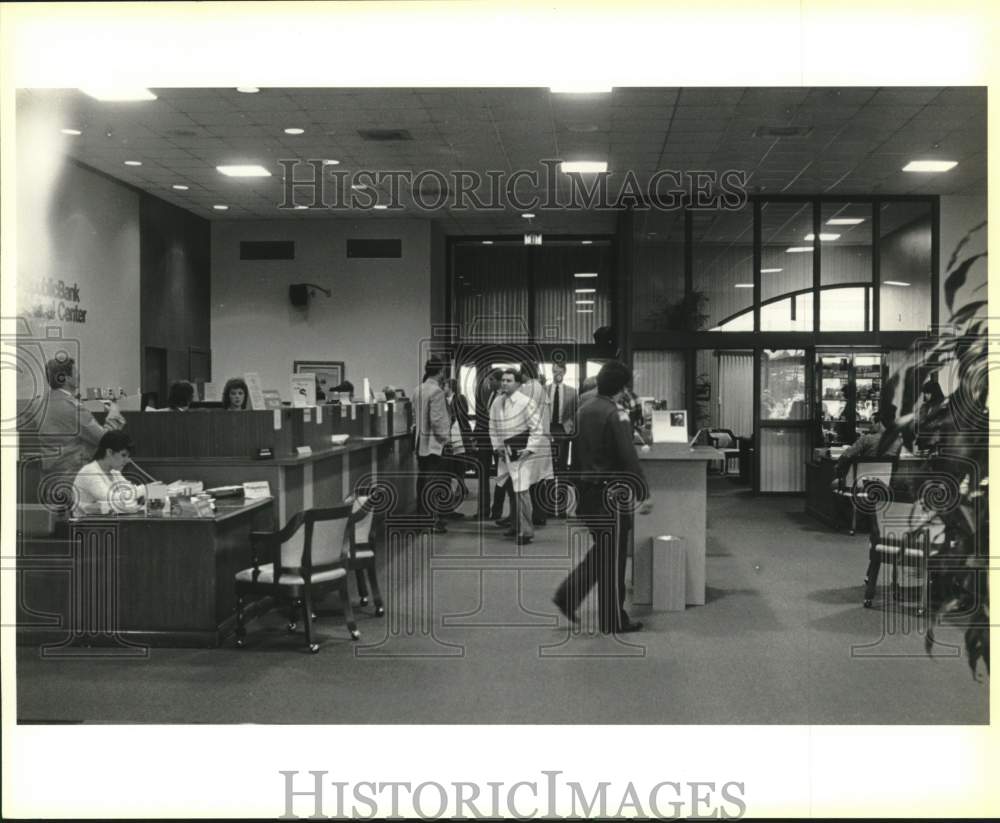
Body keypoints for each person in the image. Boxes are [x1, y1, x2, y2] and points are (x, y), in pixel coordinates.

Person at [553, 360, 653, 634]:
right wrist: (643, 493)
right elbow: (628, 456)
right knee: (614, 558)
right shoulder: (615, 414)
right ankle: (609, 617)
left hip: (587, 493)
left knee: (605, 552)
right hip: (611, 496)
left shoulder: (584, 410)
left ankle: (572, 597)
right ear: (622, 388)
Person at [37, 356, 127, 497]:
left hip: (50, 480)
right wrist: (114, 412)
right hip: (75, 479)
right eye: (75, 371)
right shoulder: (71, 407)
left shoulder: (43, 404)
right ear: (65, 378)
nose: (79, 375)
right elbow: (105, 439)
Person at [490, 368, 546, 545]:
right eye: (503, 380)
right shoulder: (497, 402)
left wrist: (529, 449)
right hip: (503, 451)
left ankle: (526, 531)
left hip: (521, 452)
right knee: (509, 489)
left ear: (518, 383)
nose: (504, 383)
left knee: (521, 491)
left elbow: (537, 428)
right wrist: (497, 446)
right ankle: (515, 525)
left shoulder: (525, 402)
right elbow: (492, 426)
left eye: (509, 380)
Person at [413, 357, 451, 533]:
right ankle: (432, 521)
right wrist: (445, 438)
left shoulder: (418, 390)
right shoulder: (436, 392)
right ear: (440, 371)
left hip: (420, 442)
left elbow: (414, 417)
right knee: (434, 482)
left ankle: (422, 519)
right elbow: (437, 420)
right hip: (433, 444)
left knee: (422, 480)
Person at [72, 430, 145, 517]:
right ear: (109, 452)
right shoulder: (89, 472)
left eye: (128, 456)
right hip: (86, 526)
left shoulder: (114, 472)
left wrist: (140, 494)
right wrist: (144, 490)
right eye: (123, 455)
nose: (127, 460)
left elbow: (129, 495)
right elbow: (110, 498)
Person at [519, 361, 554, 527]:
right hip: (544, 439)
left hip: (531, 439)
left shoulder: (526, 389)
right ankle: (541, 515)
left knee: (529, 481)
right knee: (541, 480)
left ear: (524, 373)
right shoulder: (542, 389)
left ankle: (532, 516)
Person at [547, 363, 579, 518]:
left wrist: (569, 428)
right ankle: (547, 508)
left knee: (561, 471)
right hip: (547, 431)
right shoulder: (545, 391)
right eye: (554, 371)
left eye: (559, 371)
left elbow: (574, 414)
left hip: (563, 432)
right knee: (547, 471)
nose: (556, 374)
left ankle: (561, 509)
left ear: (564, 372)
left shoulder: (572, 393)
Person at [474, 368, 502, 520]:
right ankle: (483, 511)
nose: (488, 383)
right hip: (485, 438)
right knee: (483, 474)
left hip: (498, 440)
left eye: (491, 380)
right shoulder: (490, 394)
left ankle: (496, 511)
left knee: (501, 476)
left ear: (498, 381)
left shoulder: (503, 397)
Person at [443, 377, 473, 498]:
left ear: (450, 387)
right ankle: (460, 487)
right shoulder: (443, 400)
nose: (442, 388)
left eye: (444, 386)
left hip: (459, 435)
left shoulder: (460, 398)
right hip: (449, 437)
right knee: (451, 464)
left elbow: (462, 414)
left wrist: (451, 417)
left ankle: (461, 487)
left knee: (460, 463)